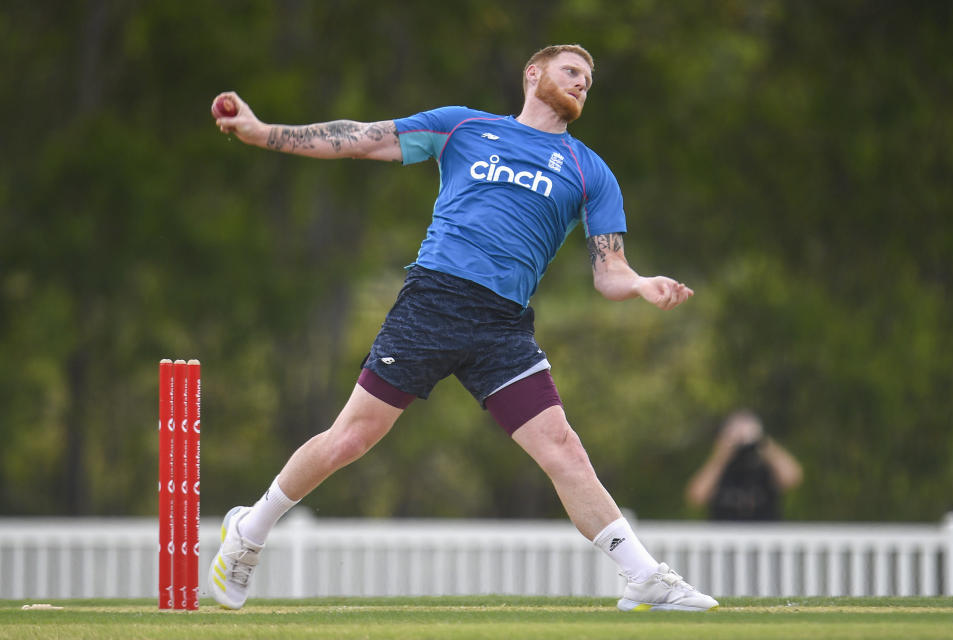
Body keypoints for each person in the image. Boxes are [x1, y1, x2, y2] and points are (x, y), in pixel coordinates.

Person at [207, 44, 717, 612]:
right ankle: (249, 532)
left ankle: (643, 577)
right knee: (351, 438)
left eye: (589, 80)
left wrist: (642, 284)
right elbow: (363, 136)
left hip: (502, 328)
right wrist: (261, 132)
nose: (582, 84)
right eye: (571, 71)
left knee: (563, 448)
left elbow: (609, 271)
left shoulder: (588, 169)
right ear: (533, 73)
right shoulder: (462, 127)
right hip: (433, 304)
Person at [685, 410, 803, 520]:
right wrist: (720, 456)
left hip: (765, 539)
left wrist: (763, 444)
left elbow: (793, 478)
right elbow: (696, 496)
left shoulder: (766, 466)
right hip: (725, 539)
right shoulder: (719, 470)